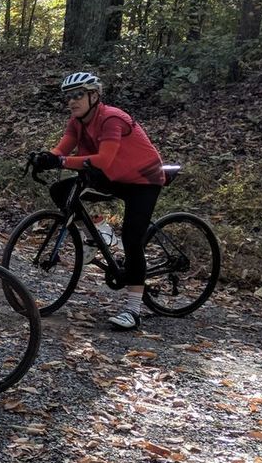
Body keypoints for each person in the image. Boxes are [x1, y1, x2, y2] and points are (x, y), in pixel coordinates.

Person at [29, 72, 166, 331]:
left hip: (144, 180)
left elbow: (103, 159)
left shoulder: (112, 119)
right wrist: (46, 158)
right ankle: (97, 232)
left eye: (78, 95)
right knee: (61, 191)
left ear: (94, 96)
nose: (72, 101)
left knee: (132, 239)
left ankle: (133, 310)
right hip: (114, 176)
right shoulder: (76, 121)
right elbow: (61, 150)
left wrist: (60, 161)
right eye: (68, 96)